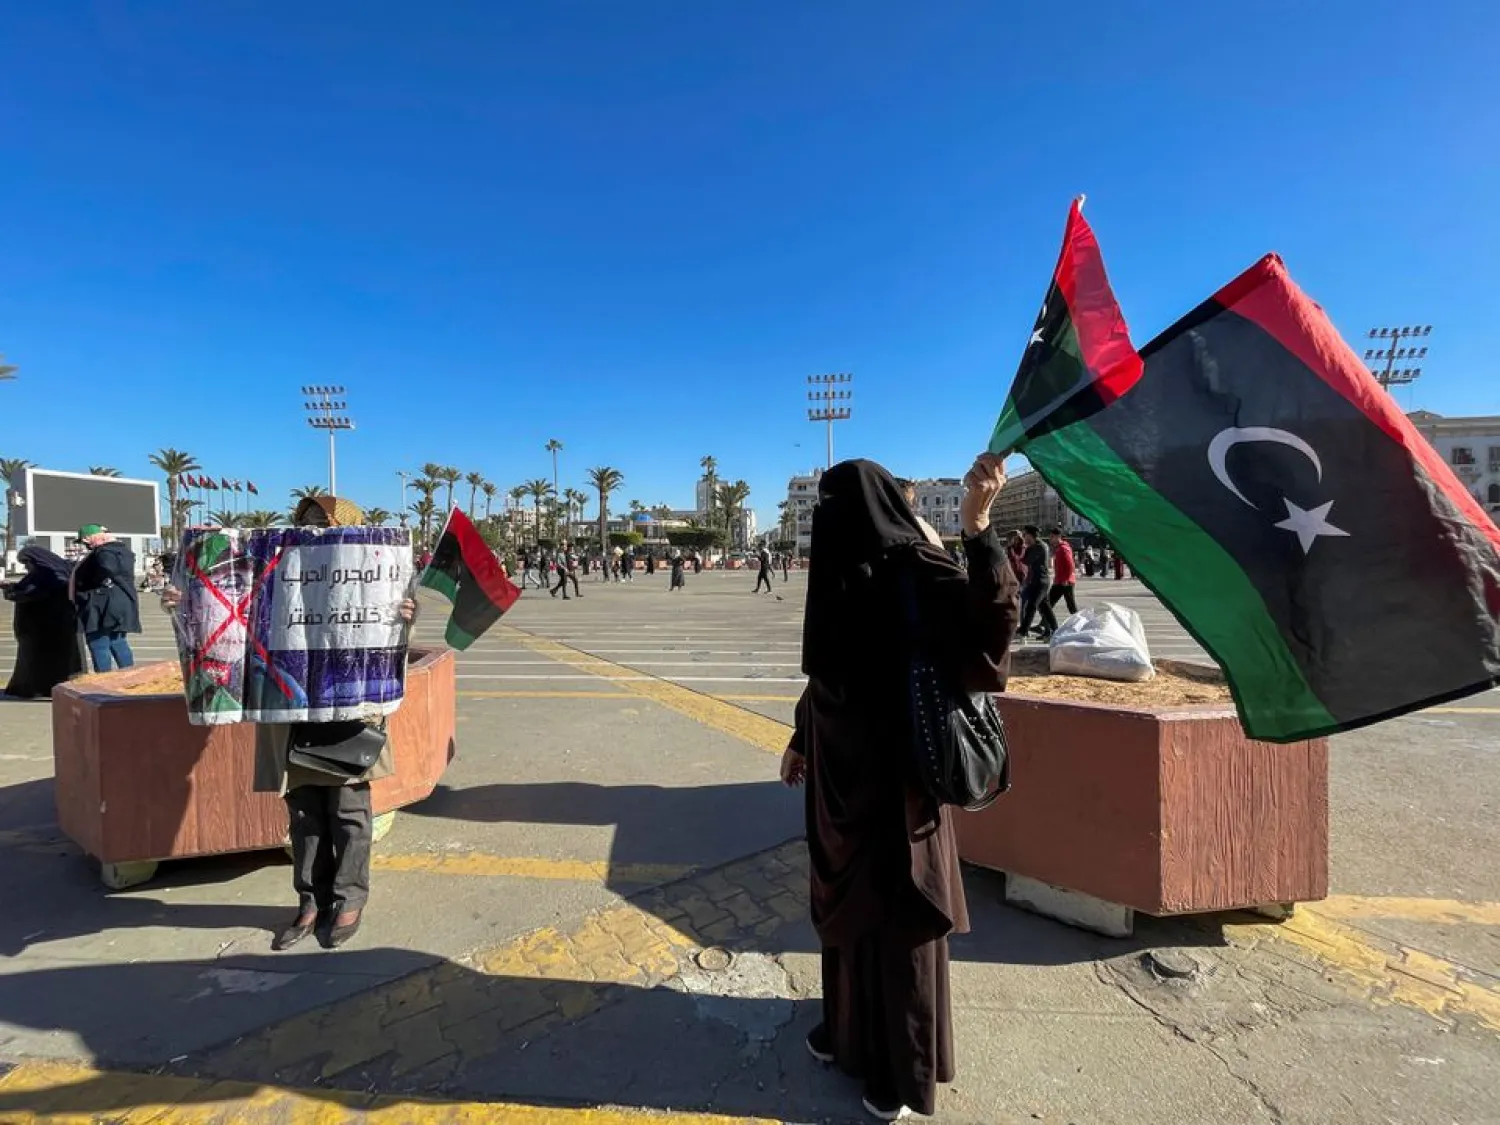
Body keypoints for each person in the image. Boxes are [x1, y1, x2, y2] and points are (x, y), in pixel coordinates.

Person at [780, 455, 1017, 1121]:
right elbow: (824, 670)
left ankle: (901, 1071)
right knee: (846, 919)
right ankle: (850, 1036)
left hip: (899, 786)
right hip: (838, 787)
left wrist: (979, 527)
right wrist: (802, 736)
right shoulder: (839, 579)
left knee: (899, 922)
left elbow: (993, 632)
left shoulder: (917, 570)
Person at [162, 496, 417, 951]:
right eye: (308, 521)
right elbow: (233, 605)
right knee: (302, 812)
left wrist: (405, 615)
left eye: (326, 523)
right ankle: (311, 899)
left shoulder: (373, 566)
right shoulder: (275, 564)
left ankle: (349, 897)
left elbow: (390, 632)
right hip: (289, 707)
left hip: (348, 707)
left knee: (348, 811)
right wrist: (187, 602)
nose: (315, 529)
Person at [2, 546, 85, 698]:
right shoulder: (55, 571)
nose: (26, 567)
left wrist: (12, 593)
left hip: (44, 627)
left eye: (27, 563)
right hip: (52, 625)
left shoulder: (46, 574)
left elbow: (32, 593)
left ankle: (39, 688)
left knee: (40, 661)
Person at [69, 525, 141, 672]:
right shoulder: (123, 551)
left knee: (98, 642)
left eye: (85, 541)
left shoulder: (103, 552)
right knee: (117, 641)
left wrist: (91, 583)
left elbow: (107, 568)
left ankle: (103, 682)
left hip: (101, 603)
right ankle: (130, 678)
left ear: (92, 537)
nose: (86, 545)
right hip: (121, 601)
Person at [1016, 525, 1057, 642]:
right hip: (1036, 580)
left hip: (1041, 581)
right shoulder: (1035, 546)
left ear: (1031, 535)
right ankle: (1054, 630)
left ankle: (1023, 632)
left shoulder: (1039, 547)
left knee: (1032, 606)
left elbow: (1025, 560)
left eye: (1025, 535)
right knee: (1045, 608)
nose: (1024, 538)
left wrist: (1023, 548)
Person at [1046, 527, 1078, 618]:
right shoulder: (1059, 548)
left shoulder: (1063, 549)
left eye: (1052, 537)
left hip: (1065, 582)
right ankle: (1044, 624)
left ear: (1058, 537)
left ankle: (1080, 623)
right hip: (1060, 581)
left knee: (1070, 606)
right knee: (1049, 603)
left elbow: (1070, 565)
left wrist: (1066, 579)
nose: (1050, 539)